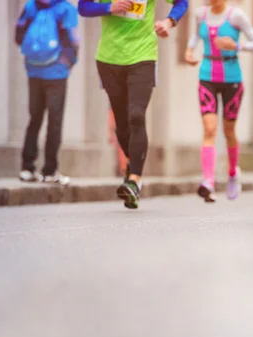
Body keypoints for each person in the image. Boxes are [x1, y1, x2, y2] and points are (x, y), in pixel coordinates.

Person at [78, 0, 188, 209]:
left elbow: (182, 2)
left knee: (136, 115)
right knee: (122, 124)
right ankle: (133, 164)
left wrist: (169, 22)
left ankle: (135, 180)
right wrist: (109, 7)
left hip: (142, 56)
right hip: (109, 59)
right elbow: (83, 7)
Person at [184, 0, 253, 203]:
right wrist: (190, 51)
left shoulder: (236, 16)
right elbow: (194, 36)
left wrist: (236, 45)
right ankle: (208, 181)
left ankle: (233, 172)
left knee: (228, 131)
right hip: (207, 75)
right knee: (209, 129)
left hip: (232, 78)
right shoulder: (200, 14)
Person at [16, 0, 79, 185]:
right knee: (55, 121)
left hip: (33, 69)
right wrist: (68, 63)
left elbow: (18, 36)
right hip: (56, 72)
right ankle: (49, 171)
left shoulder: (30, 6)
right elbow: (72, 41)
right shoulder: (66, 9)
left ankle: (27, 168)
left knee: (34, 118)